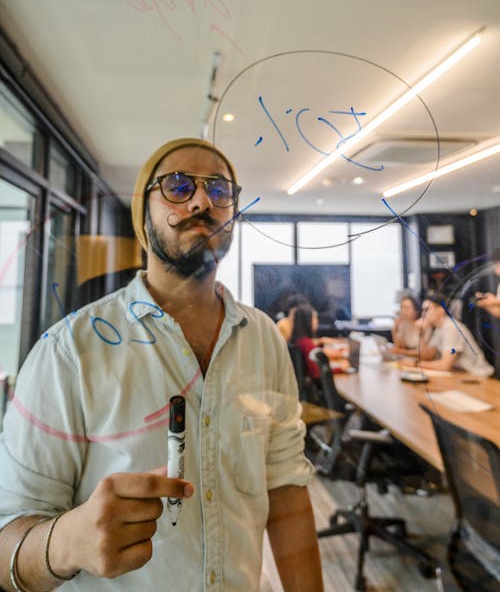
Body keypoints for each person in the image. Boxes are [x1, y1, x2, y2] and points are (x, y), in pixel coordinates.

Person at [0, 138, 323, 591]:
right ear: (143, 213)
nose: (201, 201)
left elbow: (286, 491)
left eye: (220, 189)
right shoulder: (68, 351)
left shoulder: (264, 338)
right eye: (177, 185)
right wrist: (66, 542)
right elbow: (6, 542)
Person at [402, 294, 494, 376]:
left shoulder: (451, 327)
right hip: (462, 375)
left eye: (427, 310)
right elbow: (427, 355)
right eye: (422, 310)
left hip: (479, 377)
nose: (423, 314)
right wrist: (420, 334)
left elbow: (444, 366)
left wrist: (416, 364)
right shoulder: (439, 329)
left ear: (441, 310)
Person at [290, 303, 350, 381]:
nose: (317, 321)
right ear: (307, 321)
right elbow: (317, 373)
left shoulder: (298, 340)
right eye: (314, 318)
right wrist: (340, 368)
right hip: (315, 388)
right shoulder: (307, 344)